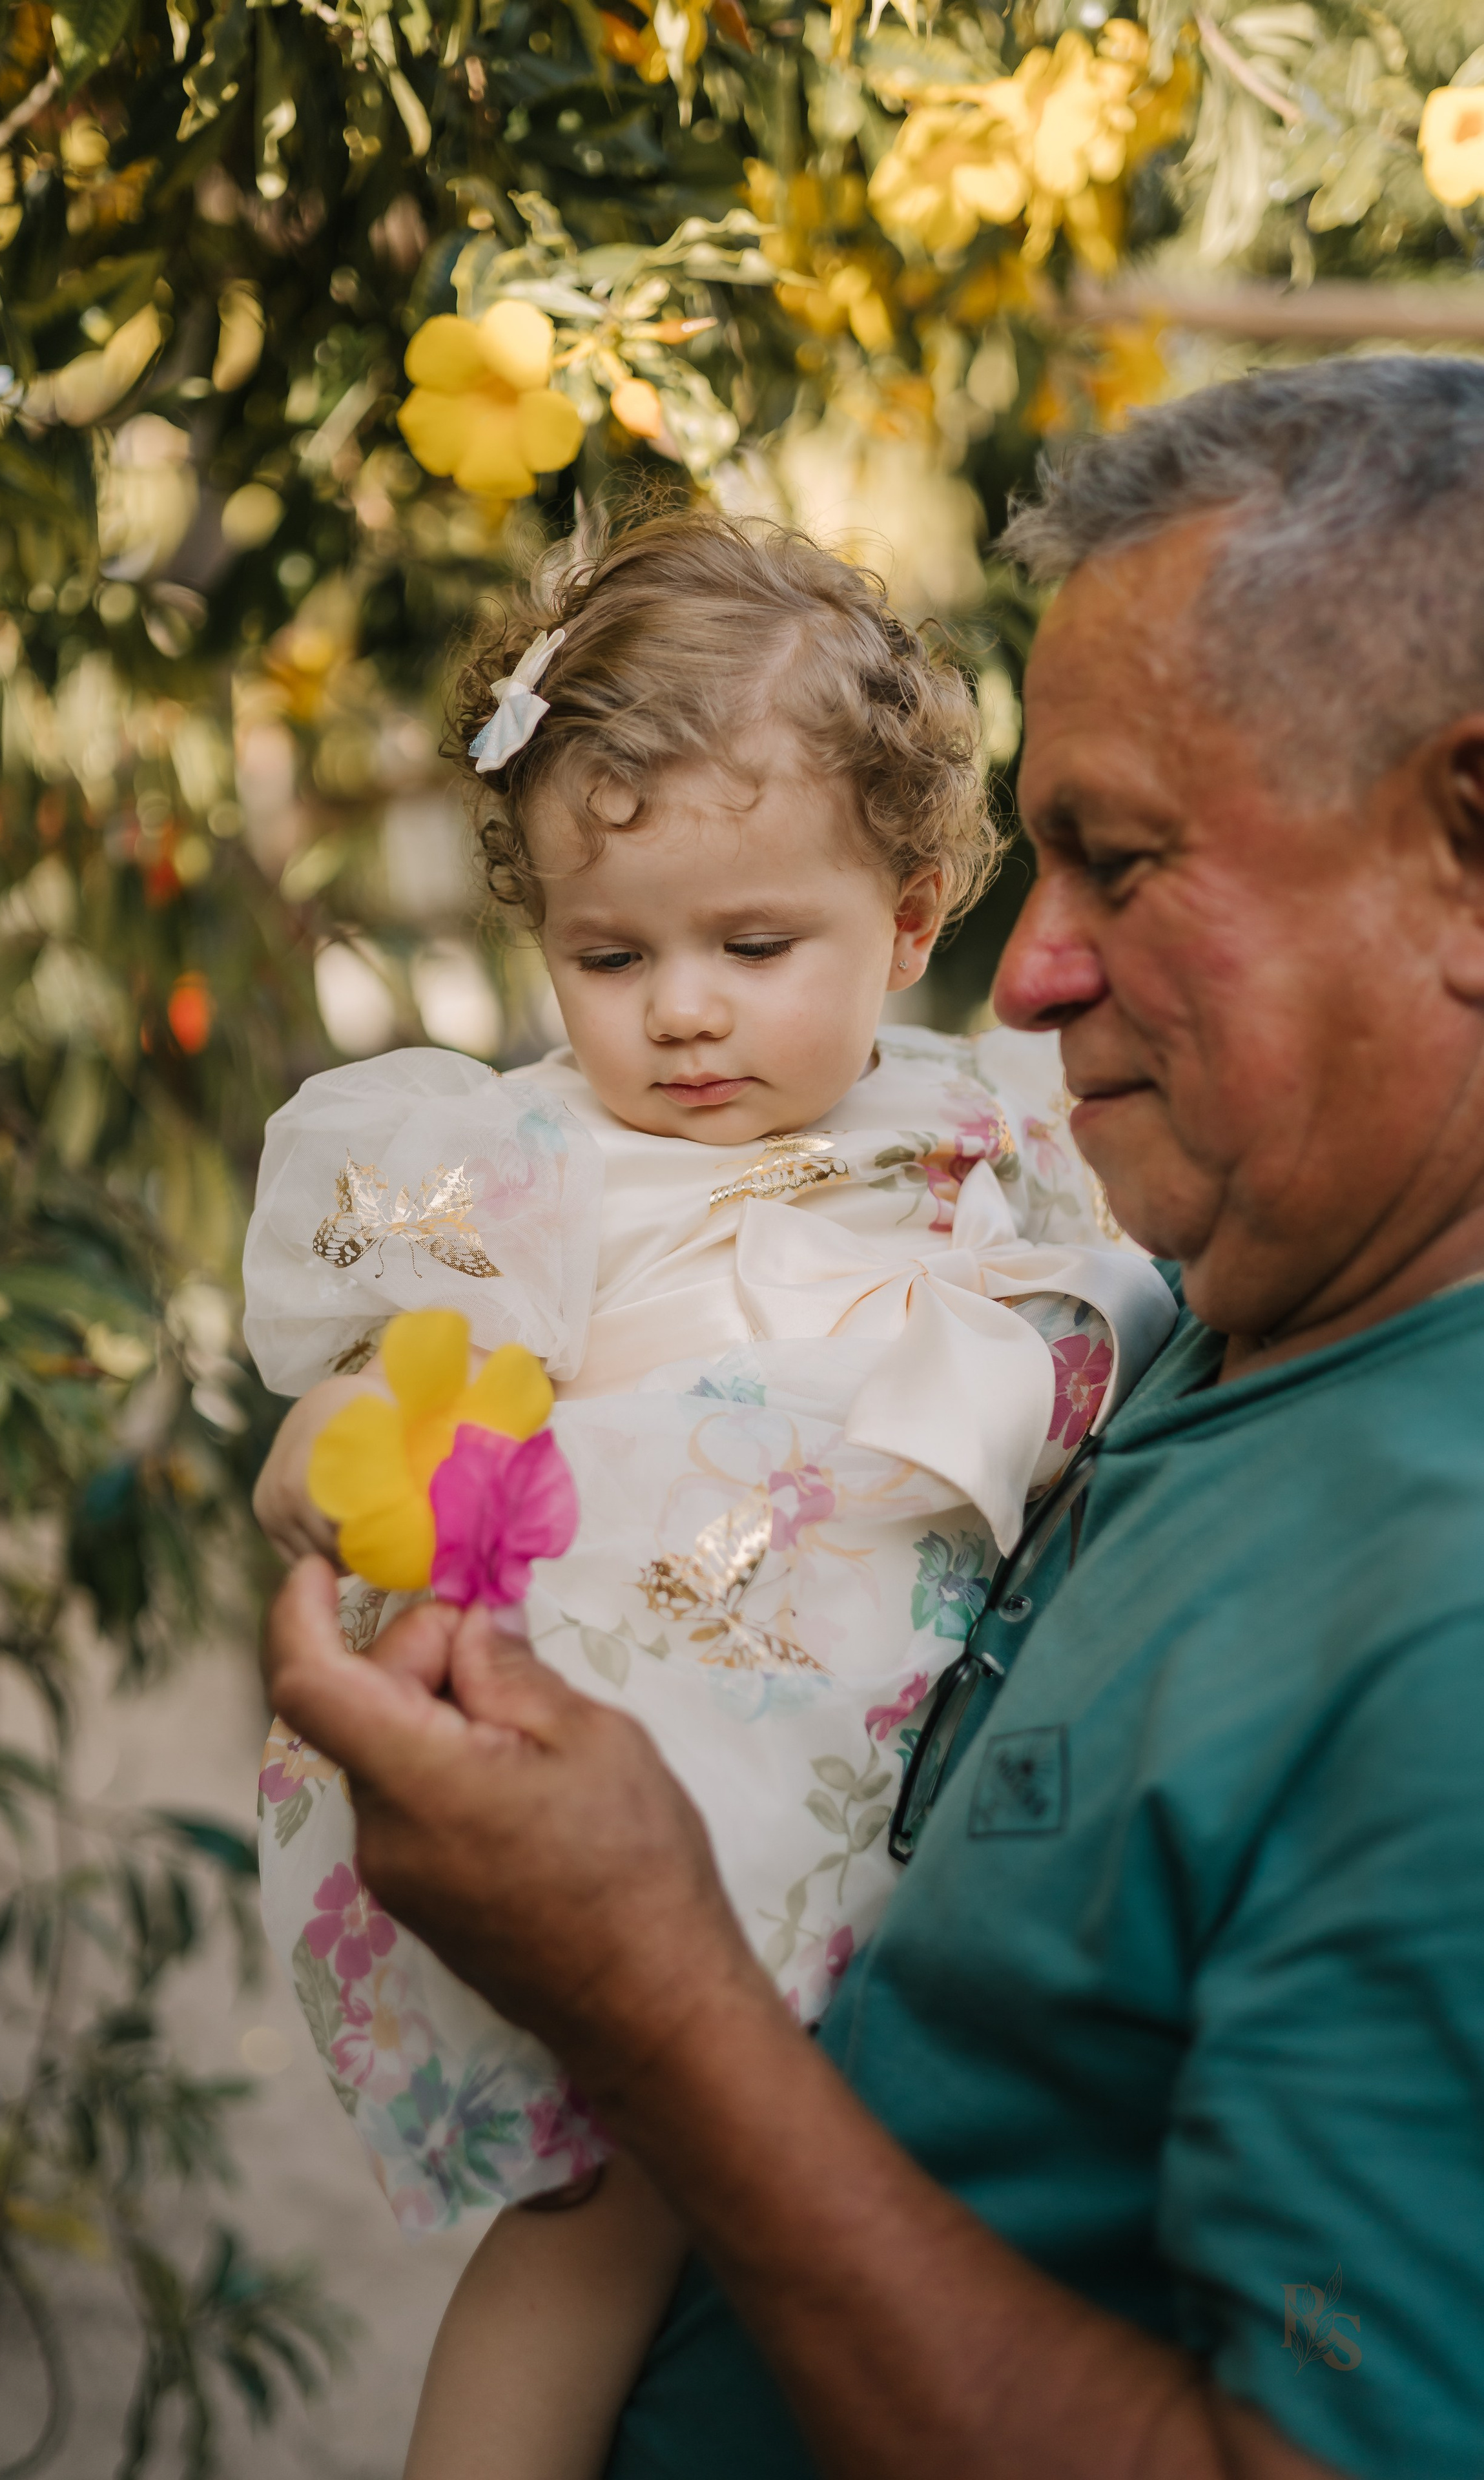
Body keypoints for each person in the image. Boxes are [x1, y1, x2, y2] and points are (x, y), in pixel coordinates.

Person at [261, 355, 1484, 2480]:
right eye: (614, 956)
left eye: (1123, 862)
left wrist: (664, 2006)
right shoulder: (1203, 1287)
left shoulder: (1432, 1623)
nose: (1025, 978)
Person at [242, 512, 1175, 2477]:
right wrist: (365, 1464)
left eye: (755, 948)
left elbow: (1121, 1300)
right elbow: (356, 1406)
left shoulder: (985, 1123)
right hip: (639, 1780)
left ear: (909, 920)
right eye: (611, 955)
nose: (680, 1009)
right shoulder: (526, 1166)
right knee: (612, 2204)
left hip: (898, 1785)